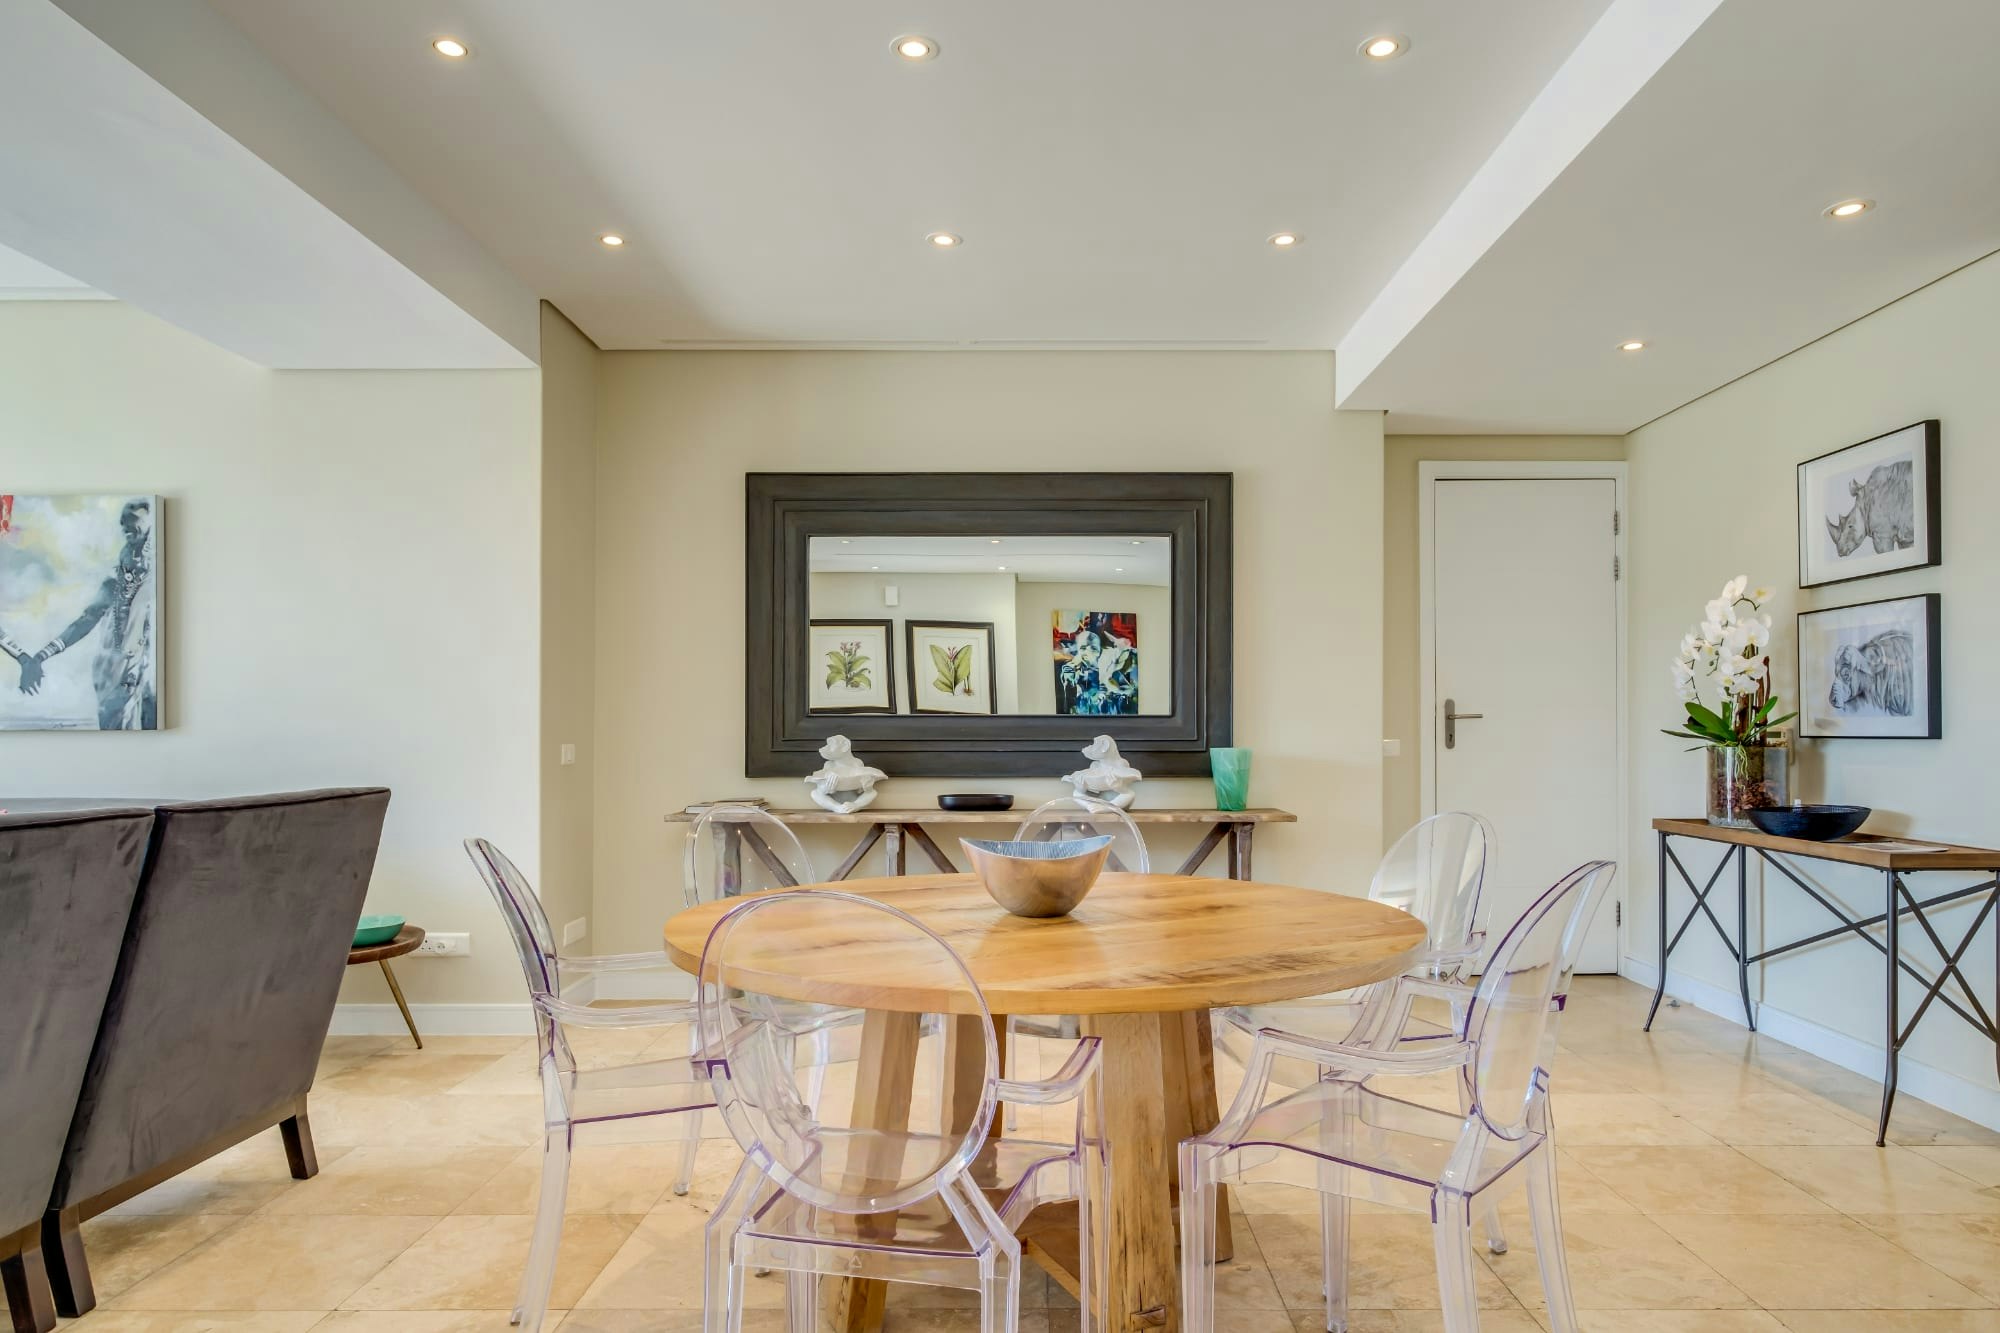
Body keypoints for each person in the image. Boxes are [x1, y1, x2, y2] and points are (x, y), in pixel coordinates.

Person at [12, 498, 156, 729]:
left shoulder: (159, 578)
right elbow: (86, 620)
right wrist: (39, 657)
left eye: (133, 520)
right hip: (114, 679)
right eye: (123, 522)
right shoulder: (114, 581)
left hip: (149, 677)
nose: (125, 526)